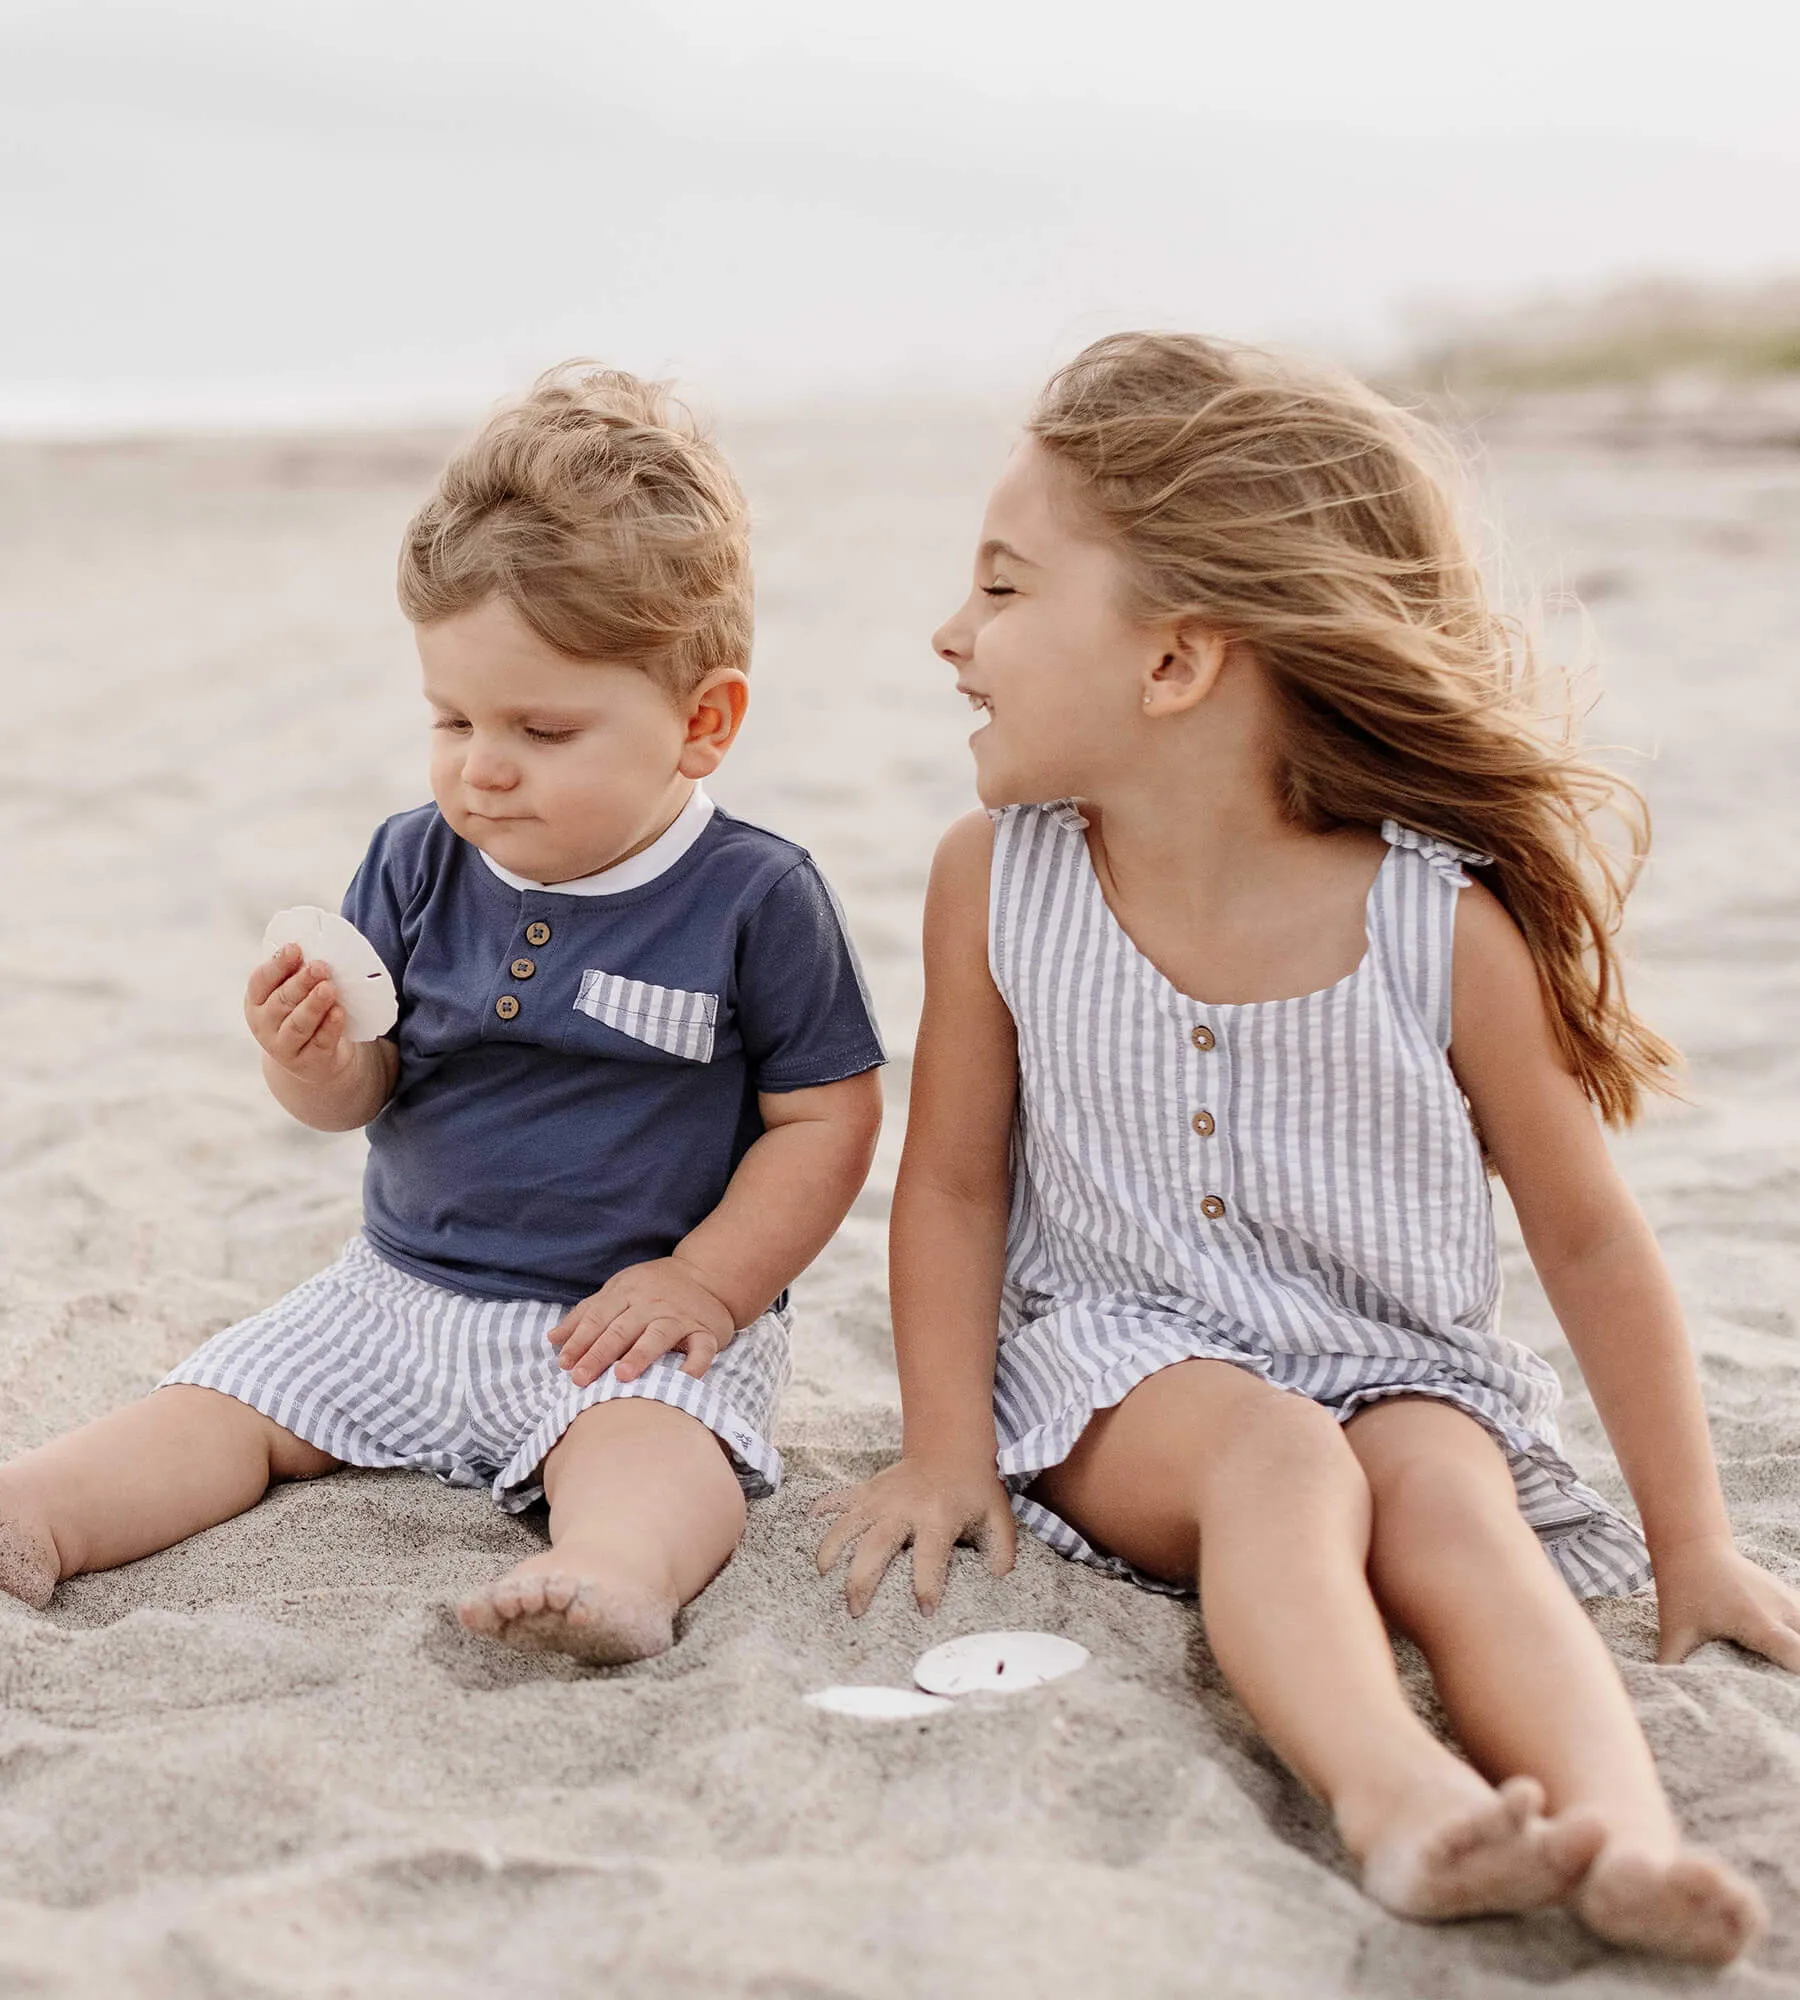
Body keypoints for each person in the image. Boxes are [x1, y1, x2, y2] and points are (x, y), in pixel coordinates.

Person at [815, 332, 1797, 1964]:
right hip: (1125, 1377)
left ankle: (1622, 1835)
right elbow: (955, 1179)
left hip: (1395, 1362)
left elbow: (1591, 1239)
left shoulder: (1440, 927)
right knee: (1278, 1457)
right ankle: (1395, 1796)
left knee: (1448, 1501)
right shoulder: (998, 879)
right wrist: (941, 1445)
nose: (951, 632)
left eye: (1001, 590)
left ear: (1178, 662)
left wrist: (1689, 1534)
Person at [0, 366, 884, 1666]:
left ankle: (607, 1571)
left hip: (617, 1325)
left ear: (703, 724)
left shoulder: (753, 895)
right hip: (396, 1293)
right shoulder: (418, 861)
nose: (482, 762)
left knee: (651, 1455)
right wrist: (315, 1061)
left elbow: (828, 1117)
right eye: (452, 717)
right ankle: (40, 1516)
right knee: (222, 1402)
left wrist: (709, 1279)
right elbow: (358, 1096)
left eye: (542, 726)